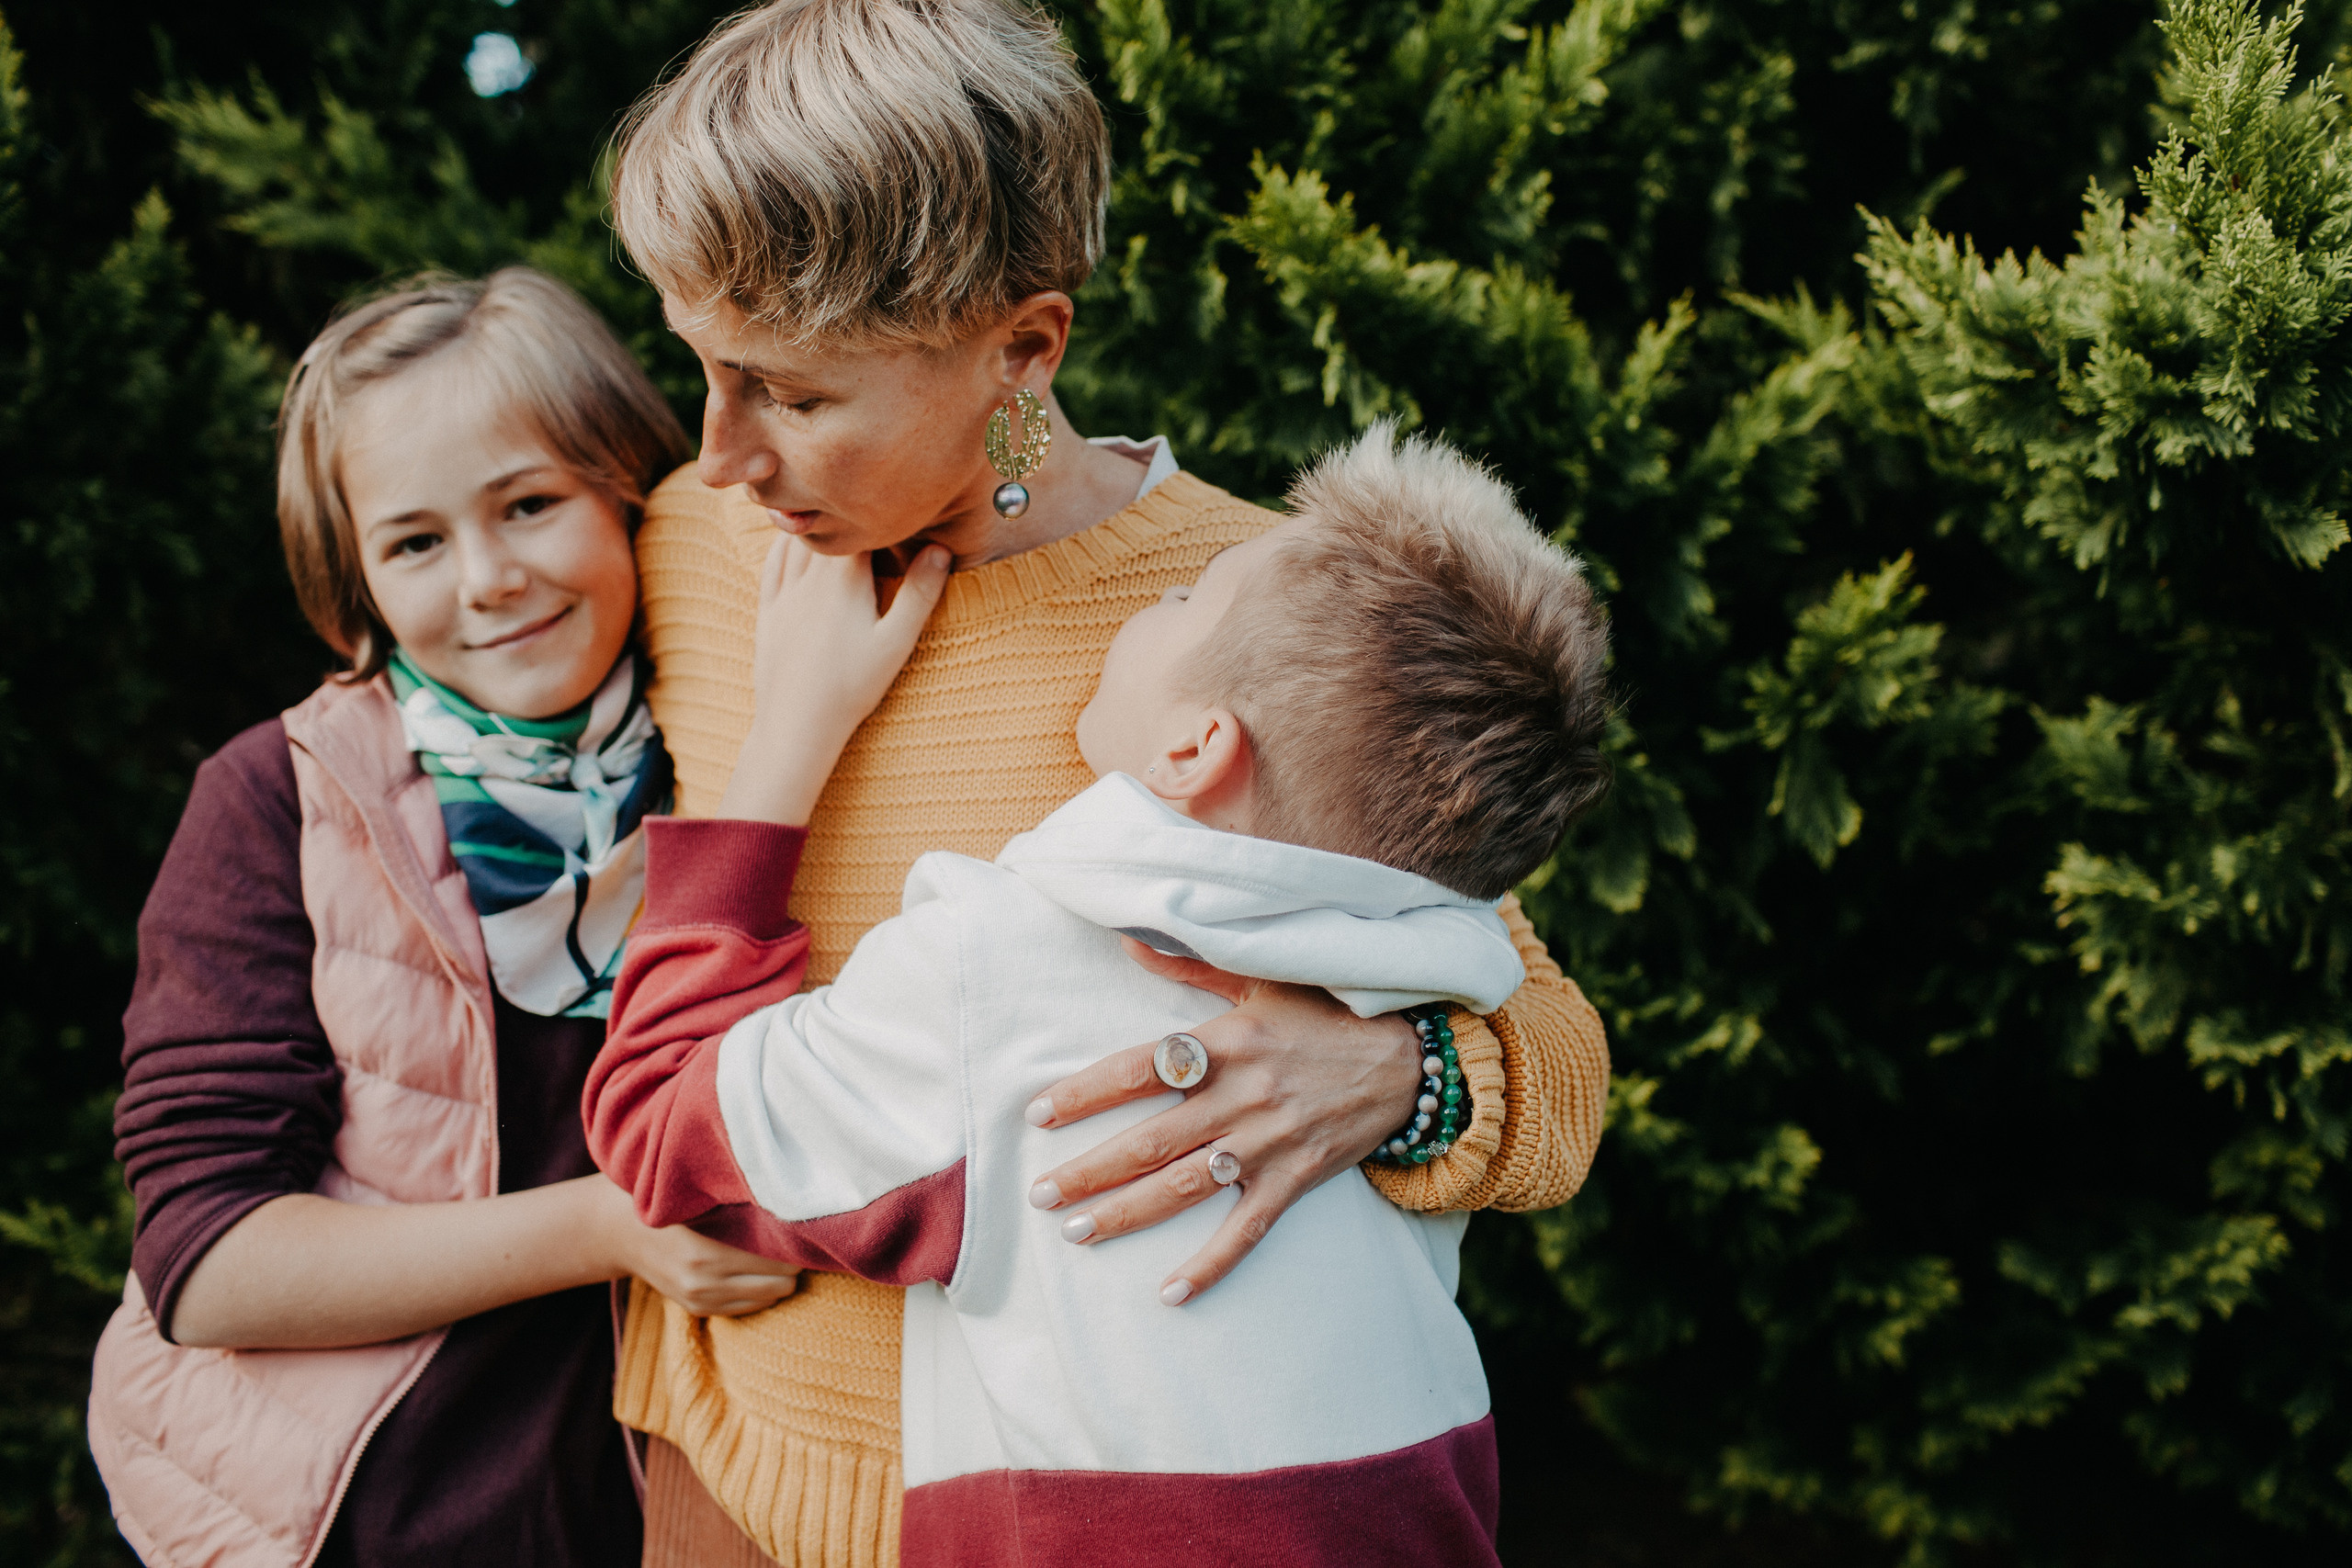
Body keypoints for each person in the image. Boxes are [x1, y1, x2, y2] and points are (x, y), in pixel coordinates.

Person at [606, 2, 1614, 1560]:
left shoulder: (1247, 613)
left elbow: (1554, 1049)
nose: (723, 448)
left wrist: (1400, 1084)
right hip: (725, 1479)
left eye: (794, 394)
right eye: (702, 367)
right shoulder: (696, 538)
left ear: (1022, 346)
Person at [85, 268, 849, 1568]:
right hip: (375, 1513)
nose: (490, 579)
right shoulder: (280, 799)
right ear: (359, 576)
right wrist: (608, 1228)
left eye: (532, 505)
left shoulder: (729, 740)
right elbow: (210, 1263)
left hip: (684, 1503)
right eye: (417, 542)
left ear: (631, 490)